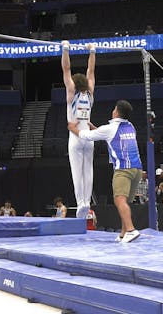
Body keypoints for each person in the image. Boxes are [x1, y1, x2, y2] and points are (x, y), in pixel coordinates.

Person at [68, 100, 142, 243]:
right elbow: (110, 137)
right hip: (137, 169)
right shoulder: (130, 126)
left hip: (123, 170)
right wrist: (97, 130)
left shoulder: (110, 128)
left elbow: (86, 136)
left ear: (116, 112)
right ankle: (123, 233)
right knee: (125, 203)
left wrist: (73, 129)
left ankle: (131, 230)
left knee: (119, 200)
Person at [61, 40, 96, 219]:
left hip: (75, 136)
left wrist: (65, 49)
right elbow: (91, 71)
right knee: (88, 171)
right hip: (88, 135)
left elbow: (66, 69)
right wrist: (92, 52)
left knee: (77, 173)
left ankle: (81, 204)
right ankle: (87, 202)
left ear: (74, 83)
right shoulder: (90, 93)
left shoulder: (71, 92)